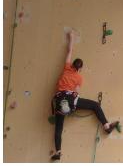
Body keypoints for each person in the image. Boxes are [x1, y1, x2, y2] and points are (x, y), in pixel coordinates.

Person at [50, 31, 119, 161]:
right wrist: (74, 104)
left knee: (58, 127)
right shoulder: (79, 77)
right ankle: (106, 126)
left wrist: (71, 37)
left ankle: (58, 151)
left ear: (72, 65)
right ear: (80, 69)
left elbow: (69, 50)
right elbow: (76, 92)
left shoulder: (66, 68)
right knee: (95, 105)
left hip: (59, 100)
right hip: (71, 100)